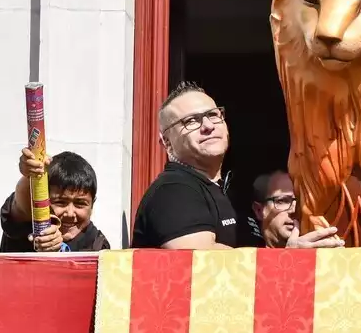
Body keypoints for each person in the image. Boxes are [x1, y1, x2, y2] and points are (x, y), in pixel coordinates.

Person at [132, 81, 342, 249]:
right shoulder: (174, 191)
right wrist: (287, 262)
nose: (208, 126)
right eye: (191, 121)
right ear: (166, 142)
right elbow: (202, 268)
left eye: (213, 115)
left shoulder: (227, 191)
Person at [0, 149, 110, 253]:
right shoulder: (25, 224)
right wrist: (31, 174)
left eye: (80, 204)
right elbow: (21, 207)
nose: (70, 213)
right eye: (60, 202)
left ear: (92, 205)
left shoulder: (98, 246)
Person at [249, 170, 342, 249]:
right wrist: (291, 257)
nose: (294, 210)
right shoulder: (246, 259)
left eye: (301, 201)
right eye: (283, 201)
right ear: (259, 211)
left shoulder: (321, 248)